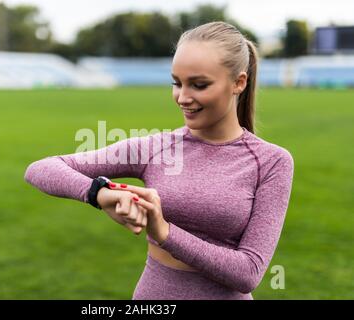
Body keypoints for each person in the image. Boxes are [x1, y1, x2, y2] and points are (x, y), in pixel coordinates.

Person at [24, 21, 294, 300]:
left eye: (199, 85)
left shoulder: (272, 162)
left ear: (239, 82)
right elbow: (41, 169)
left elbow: (248, 273)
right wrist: (101, 194)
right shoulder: (155, 147)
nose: (183, 98)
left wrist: (164, 231)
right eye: (177, 83)